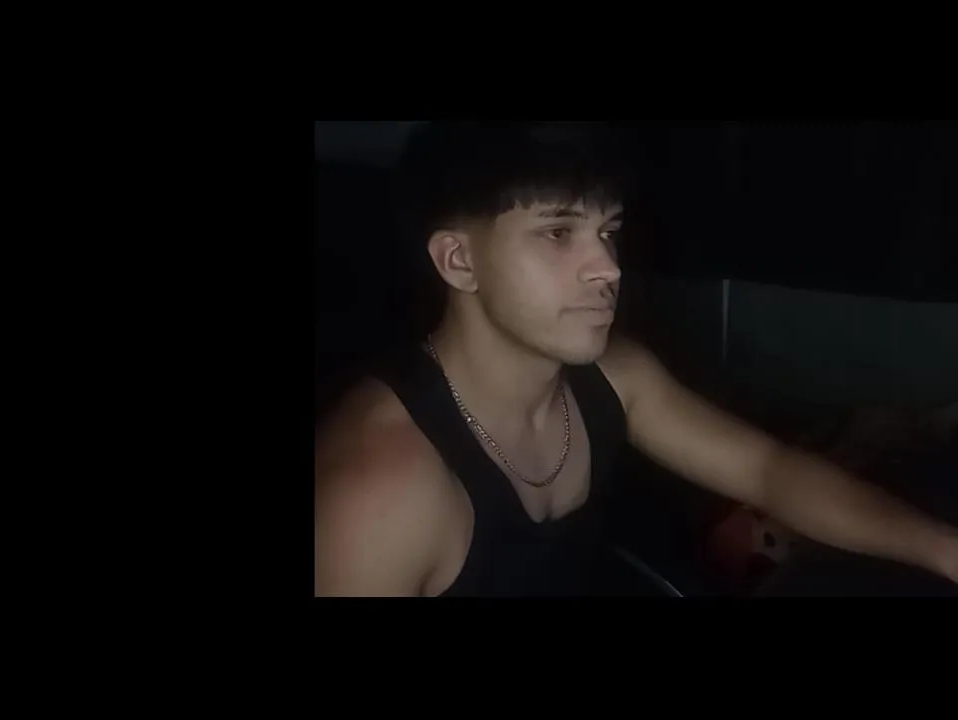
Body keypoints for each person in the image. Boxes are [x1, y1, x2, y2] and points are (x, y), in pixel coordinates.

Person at [313, 122, 958, 597]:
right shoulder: (382, 490)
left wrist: (943, 548)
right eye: (558, 232)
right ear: (459, 261)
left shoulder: (613, 377)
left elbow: (768, 472)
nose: (608, 268)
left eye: (608, 233)